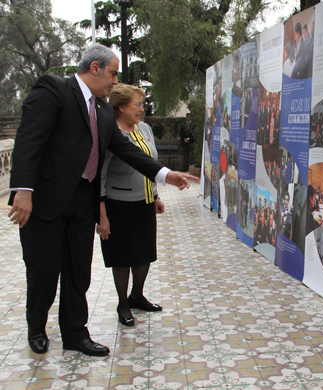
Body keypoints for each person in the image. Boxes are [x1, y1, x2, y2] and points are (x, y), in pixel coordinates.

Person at [7, 44, 197, 356]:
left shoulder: (104, 110)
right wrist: (23, 191)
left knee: (78, 271)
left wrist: (164, 174)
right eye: (112, 73)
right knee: (44, 270)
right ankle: (36, 328)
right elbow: (28, 140)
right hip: (47, 202)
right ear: (94, 68)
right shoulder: (53, 90)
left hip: (83, 202)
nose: (114, 81)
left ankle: (75, 334)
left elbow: (126, 150)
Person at [97, 83, 165, 328]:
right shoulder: (111, 133)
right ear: (121, 107)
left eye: (142, 104)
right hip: (119, 205)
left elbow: (150, 164)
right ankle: (123, 302)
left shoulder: (144, 128)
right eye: (137, 104)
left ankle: (137, 295)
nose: (142, 109)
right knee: (122, 257)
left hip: (144, 203)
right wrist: (101, 215)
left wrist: (155, 195)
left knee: (143, 253)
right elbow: (100, 176)